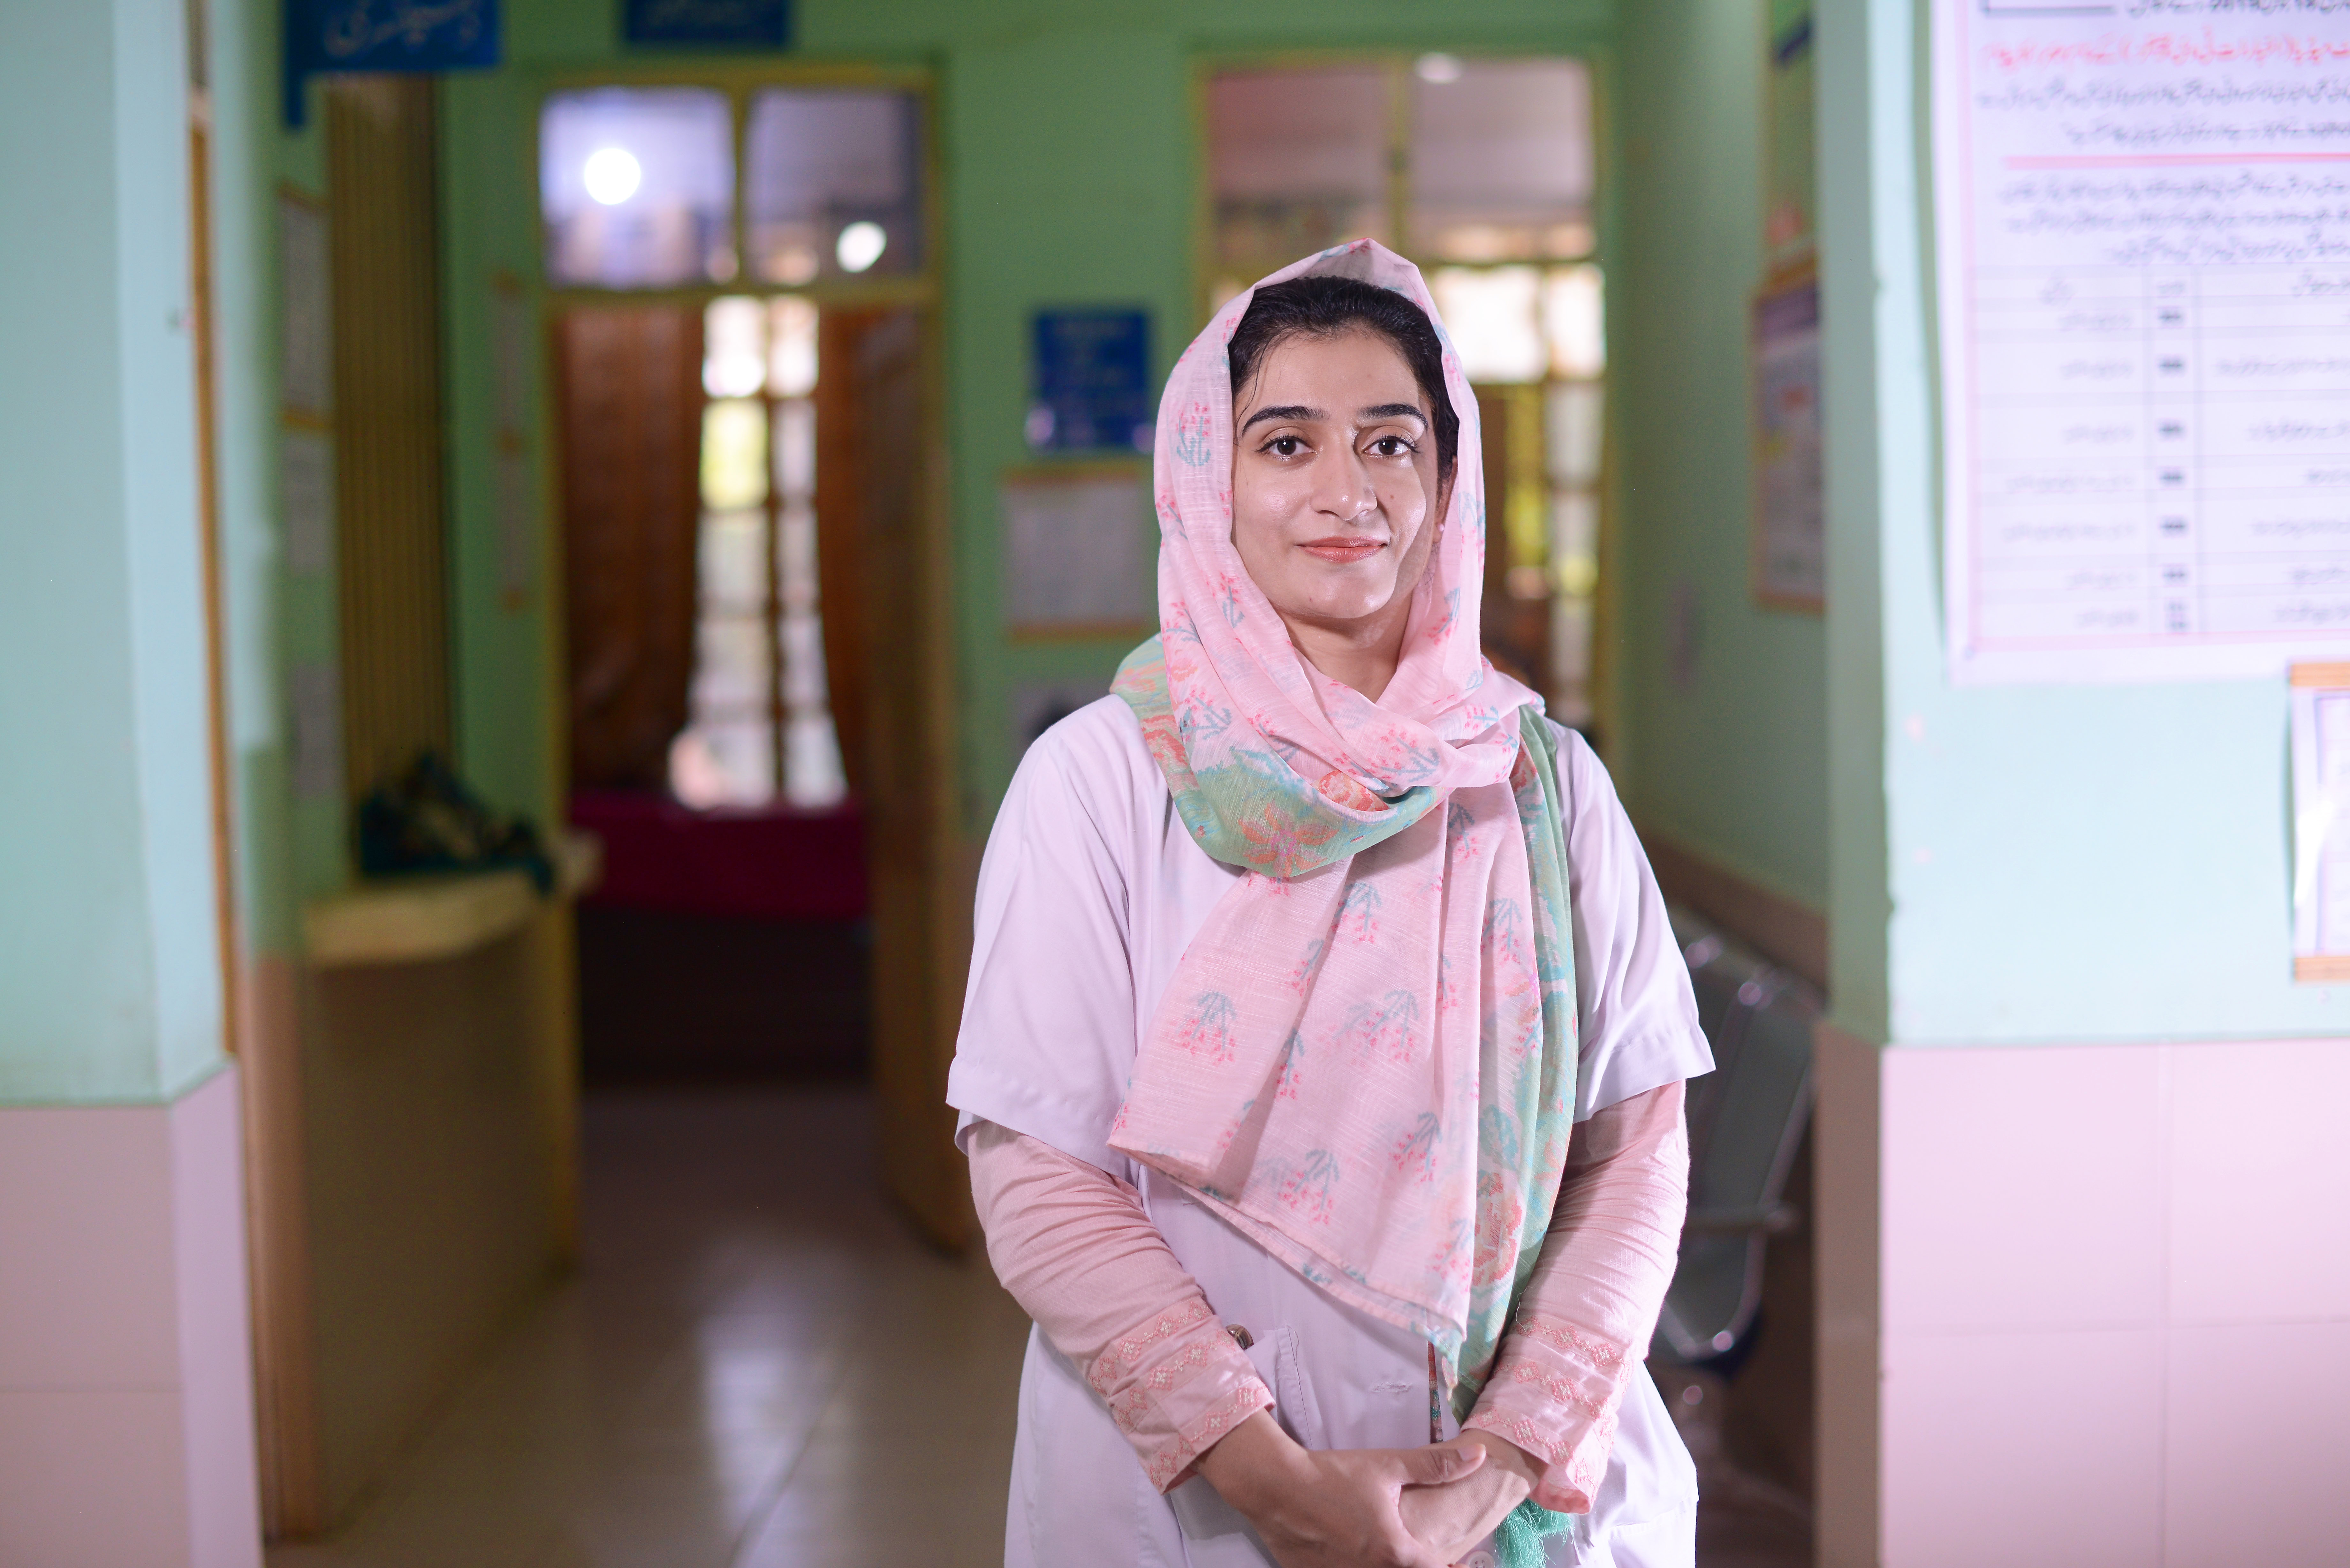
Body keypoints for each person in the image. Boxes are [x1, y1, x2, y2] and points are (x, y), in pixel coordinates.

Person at [947, 241, 1709, 1568]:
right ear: (1207, 478)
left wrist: (1500, 1467)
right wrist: (1275, 1483)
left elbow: (1633, 1155)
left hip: (1514, 1491)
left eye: (1392, 444)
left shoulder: (1539, 786)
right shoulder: (1100, 783)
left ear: (1447, 483)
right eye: (1286, 444)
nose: (1345, 491)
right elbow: (1040, 1173)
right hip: (1196, 1499)